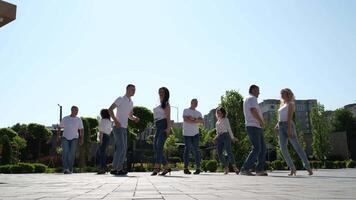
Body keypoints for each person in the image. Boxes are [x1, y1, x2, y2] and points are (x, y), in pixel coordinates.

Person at [275, 88, 313, 176]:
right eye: (281, 94)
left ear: (288, 94)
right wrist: (276, 126)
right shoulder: (282, 105)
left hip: (289, 126)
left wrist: (289, 129)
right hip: (280, 126)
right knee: (283, 148)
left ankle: (308, 167)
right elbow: (280, 117)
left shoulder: (291, 104)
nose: (281, 95)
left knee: (297, 147)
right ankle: (292, 168)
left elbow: (289, 118)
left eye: (283, 93)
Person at [108, 84, 140, 175]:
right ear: (127, 90)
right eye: (132, 89)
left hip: (125, 128)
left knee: (124, 148)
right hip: (117, 127)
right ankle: (115, 168)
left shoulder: (131, 102)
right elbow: (110, 110)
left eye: (134, 89)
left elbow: (130, 115)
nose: (133, 91)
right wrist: (115, 121)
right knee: (121, 147)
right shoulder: (120, 99)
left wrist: (134, 118)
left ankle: (118, 168)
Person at [240, 85, 268, 176]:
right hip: (253, 126)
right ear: (252, 90)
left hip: (256, 126)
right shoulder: (252, 98)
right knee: (257, 148)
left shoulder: (250, 99)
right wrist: (261, 121)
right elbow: (253, 110)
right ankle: (245, 169)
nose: (259, 93)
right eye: (257, 90)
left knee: (262, 149)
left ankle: (259, 169)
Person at [151, 87, 172, 176]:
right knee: (156, 146)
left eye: (163, 92)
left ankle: (157, 167)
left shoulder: (166, 104)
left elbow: (168, 117)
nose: (161, 93)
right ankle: (166, 166)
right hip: (157, 125)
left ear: (166, 93)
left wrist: (168, 128)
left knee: (159, 146)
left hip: (163, 124)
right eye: (159, 92)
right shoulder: (158, 103)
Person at [57, 106, 84, 174]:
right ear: (72, 110)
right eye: (76, 110)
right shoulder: (65, 118)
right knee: (65, 153)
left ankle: (70, 168)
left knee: (72, 154)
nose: (77, 112)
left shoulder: (78, 119)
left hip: (74, 138)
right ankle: (66, 168)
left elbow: (81, 129)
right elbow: (60, 127)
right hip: (65, 138)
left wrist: (81, 138)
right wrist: (58, 136)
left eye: (77, 110)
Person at [213, 107, 240, 175]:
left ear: (223, 113)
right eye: (218, 113)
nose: (219, 114)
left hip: (226, 136)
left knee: (229, 151)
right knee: (219, 153)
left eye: (220, 113)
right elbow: (218, 132)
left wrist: (232, 137)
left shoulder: (225, 119)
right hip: (220, 137)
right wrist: (215, 138)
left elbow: (229, 129)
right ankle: (226, 167)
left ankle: (234, 167)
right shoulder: (217, 122)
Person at [182, 99, 204, 175]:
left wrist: (192, 119)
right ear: (191, 103)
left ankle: (198, 168)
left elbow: (201, 121)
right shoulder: (186, 110)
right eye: (195, 102)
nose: (196, 104)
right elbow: (185, 119)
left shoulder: (198, 113)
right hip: (187, 133)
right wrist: (196, 120)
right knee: (187, 149)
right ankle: (186, 168)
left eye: (197, 103)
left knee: (196, 150)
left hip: (195, 134)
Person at [97, 109, 112, 174]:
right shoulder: (109, 121)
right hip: (108, 137)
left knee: (101, 153)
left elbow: (101, 131)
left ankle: (103, 168)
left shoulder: (102, 121)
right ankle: (104, 166)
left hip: (104, 137)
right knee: (103, 153)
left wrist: (100, 140)